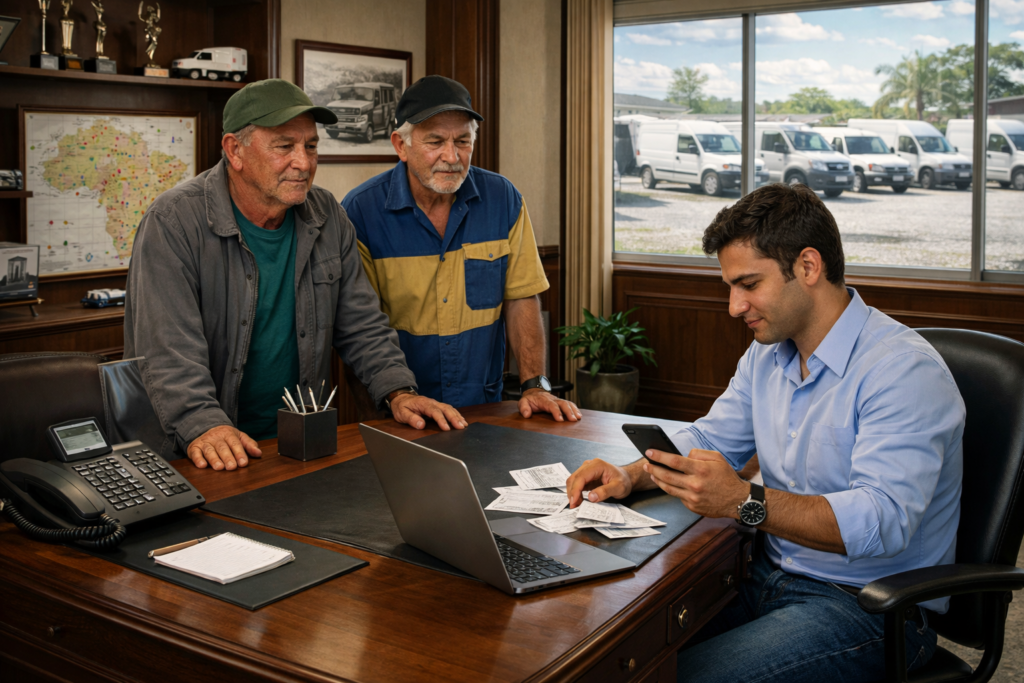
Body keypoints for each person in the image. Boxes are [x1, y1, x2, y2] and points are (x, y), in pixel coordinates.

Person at [565, 183, 965, 682]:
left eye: (749, 284)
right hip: (762, 574)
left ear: (808, 267)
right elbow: (713, 441)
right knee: (615, 656)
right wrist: (631, 475)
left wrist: (742, 501)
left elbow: (881, 522)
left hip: (869, 607)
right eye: (731, 286)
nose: (734, 306)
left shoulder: (903, 372)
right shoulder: (767, 354)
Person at [125, 79, 466, 473]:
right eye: (285, 147)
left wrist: (398, 391)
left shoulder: (326, 214)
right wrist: (204, 425)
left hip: (297, 446)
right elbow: (167, 350)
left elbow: (362, 324)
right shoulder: (173, 222)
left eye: (311, 146)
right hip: (200, 450)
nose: (303, 163)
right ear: (235, 150)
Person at [342, 76, 581, 422]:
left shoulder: (504, 199)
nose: (452, 156)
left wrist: (535, 384)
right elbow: (360, 328)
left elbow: (521, 298)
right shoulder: (360, 211)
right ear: (401, 145)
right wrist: (389, 405)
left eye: (463, 141)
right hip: (399, 413)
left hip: (484, 409)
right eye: (435, 141)